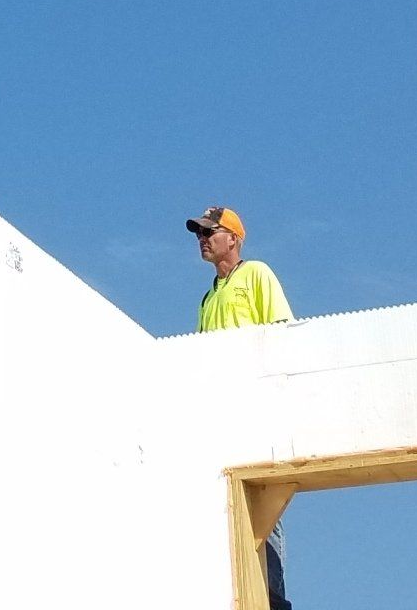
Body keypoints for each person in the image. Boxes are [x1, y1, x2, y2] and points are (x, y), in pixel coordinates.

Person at [190, 203, 293, 609]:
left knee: (263, 502)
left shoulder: (256, 275)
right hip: (221, 416)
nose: (202, 239)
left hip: (255, 410)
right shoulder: (208, 298)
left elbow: (282, 333)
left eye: (208, 232)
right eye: (199, 233)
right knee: (227, 507)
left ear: (232, 238)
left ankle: (272, 598)